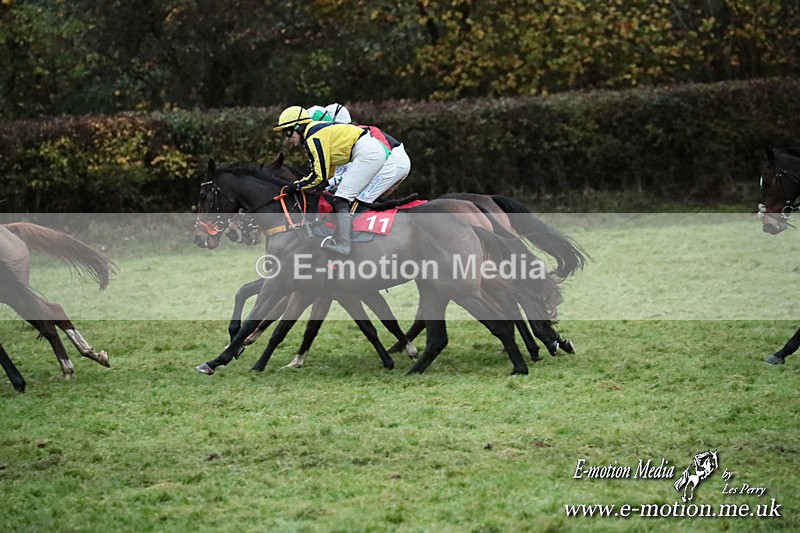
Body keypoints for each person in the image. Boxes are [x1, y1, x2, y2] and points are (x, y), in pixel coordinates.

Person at [273, 105, 387, 255]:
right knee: (340, 196)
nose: (287, 138)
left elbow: (318, 175)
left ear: (299, 127)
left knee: (341, 198)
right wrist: (318, 184)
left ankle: (344, 244)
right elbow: (327, 170)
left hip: (367, 153)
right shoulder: (314, 133)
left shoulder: (313, 137)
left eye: (288, 132)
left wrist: (297, 185)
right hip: (367, 151)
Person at [305, 103, 411, 203]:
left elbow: (360, 169)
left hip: (393, 161)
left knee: (356, 203)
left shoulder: (357, 134)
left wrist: (329, 183)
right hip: (396, 162)